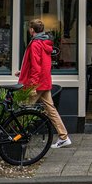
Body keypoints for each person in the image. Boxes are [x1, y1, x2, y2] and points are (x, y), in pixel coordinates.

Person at [16, 19, 71, 149]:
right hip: (44, 81)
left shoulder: (35, 44)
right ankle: (64, 137)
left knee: (22, 109)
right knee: (50, 109)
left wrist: (31, 85)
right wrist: (23, 72)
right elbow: (39, 65)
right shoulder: (44, 43)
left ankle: (18, 139)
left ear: (31, 30)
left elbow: (36, 66)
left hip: (36, 83)